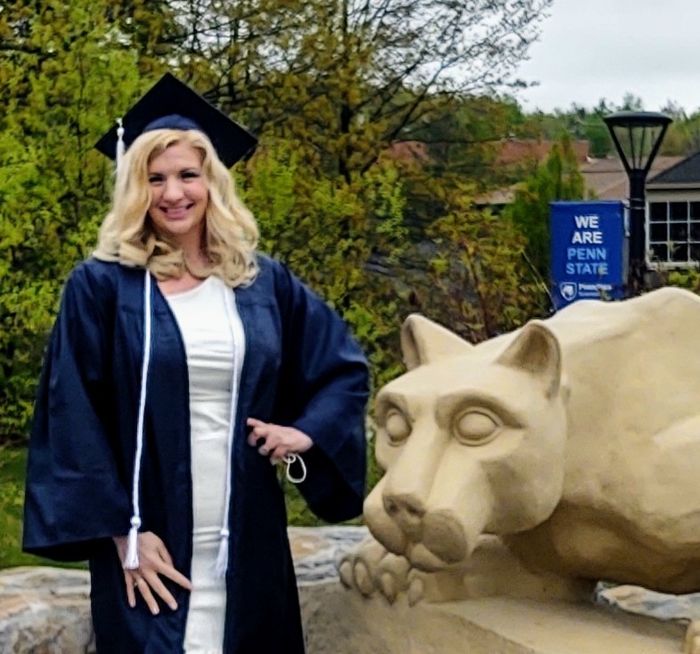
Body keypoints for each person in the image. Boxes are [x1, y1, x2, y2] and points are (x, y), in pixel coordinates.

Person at [22, 73, 369, 654]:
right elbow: (71, 416)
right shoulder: (103, 287)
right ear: (135, 189)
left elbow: (342, 369)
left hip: (248, 534)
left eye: (188, 174)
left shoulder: (260, 282)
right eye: (154, 179)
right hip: (148, 537)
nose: (173, 193)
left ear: (214, 182)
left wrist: (305, 433)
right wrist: (123, 534)